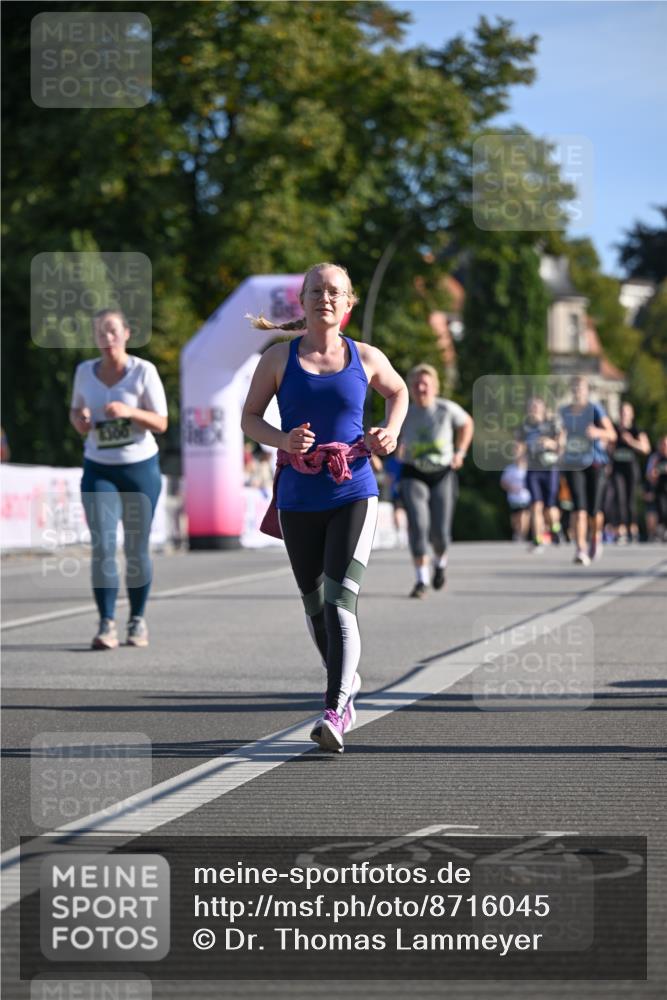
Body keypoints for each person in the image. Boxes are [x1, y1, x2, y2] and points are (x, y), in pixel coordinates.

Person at [242, 263, 408, 753]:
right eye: (316, 291)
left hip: (352, 487)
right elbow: (250, 418)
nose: (325, 299)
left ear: (348, 303)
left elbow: (397, 392)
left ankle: (336, 708)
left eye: (334, 292)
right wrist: (283, 440)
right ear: (303, 301)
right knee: (314, 603)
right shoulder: (278, 358)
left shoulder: (367, 356)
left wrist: (389, 431)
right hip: (298, 494)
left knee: (340, 600)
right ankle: (344, 681)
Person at [70, 309, 168, 649]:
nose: (106, 337)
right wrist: (80, 419)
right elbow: (77, 411)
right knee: (103, 546)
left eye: (112, 330)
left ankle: (137, 620)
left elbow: (161, 422)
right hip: (99, 466)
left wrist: (130, 412)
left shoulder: (143, 371)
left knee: (136, 548)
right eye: (100, 332)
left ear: (126, 333)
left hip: (139, 467)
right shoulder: (84, 372)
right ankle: (106, 622)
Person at [397, 364, 473, 597]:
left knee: (440, 533)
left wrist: (460, 452)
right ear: (410, 387)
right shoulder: (404, 411)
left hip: (442, 473)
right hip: (414, 472)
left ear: (434, 387)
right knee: (418, 526)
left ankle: (440, 563)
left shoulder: (446, 408)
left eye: (425, 384)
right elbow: (386, 429)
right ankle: (422, 580)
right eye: (416, 384)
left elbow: (467, 423)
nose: (421, 388)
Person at [559, 376, 616, 565]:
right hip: (573, 463)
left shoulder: (595, 409)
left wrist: (597, 432)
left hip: (594, 463)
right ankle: (580, 549)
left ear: (586, 390)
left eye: (580, 388)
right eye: (574, 388)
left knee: (594, 511)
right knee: (579, 509)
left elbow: (612, 434)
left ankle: (595, 536)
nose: (577, 391)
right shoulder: (564, 411)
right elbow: (560, 434)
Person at [515, 395, 562, 552]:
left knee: (549, 507)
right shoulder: (524, 427)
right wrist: (519, 458)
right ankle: (538, 540)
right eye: (531, 407)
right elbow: (519, 446)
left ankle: (555, 528)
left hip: (549, 468)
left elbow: (561, 445)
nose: (533, 409)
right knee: (536, 505)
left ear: (543, 408)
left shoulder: (551, 424)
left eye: (536, 406)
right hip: (532, 469)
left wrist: (551, 443)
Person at [609, 402, 650, 543]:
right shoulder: (614, 429)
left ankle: (633, 529)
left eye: (626, 412)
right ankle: (621, 530)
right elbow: (607, 447)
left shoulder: (636, 430)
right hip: (617, 468)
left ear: (631, 415)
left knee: (630, 499)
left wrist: (631, 441)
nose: (624, 415)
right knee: (618, 498)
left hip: (631, 468)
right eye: (622, 412)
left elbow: (646, 448)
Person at [500, 443, 531, 542]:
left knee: (524, 514)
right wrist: (511, 487)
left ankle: (522, 534)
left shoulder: (528, 468)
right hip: (513, 497)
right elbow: (503, 483)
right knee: (515, 517)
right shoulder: (510, 469)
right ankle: (517, 532)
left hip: (526, 497)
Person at [645, 435, 667, 541]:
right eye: (663, 444)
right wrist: (656, 472)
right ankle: (660, 532)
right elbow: (650, 475)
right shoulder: (655, 458)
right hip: (660, 490)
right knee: (661, 510)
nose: (665, 447)